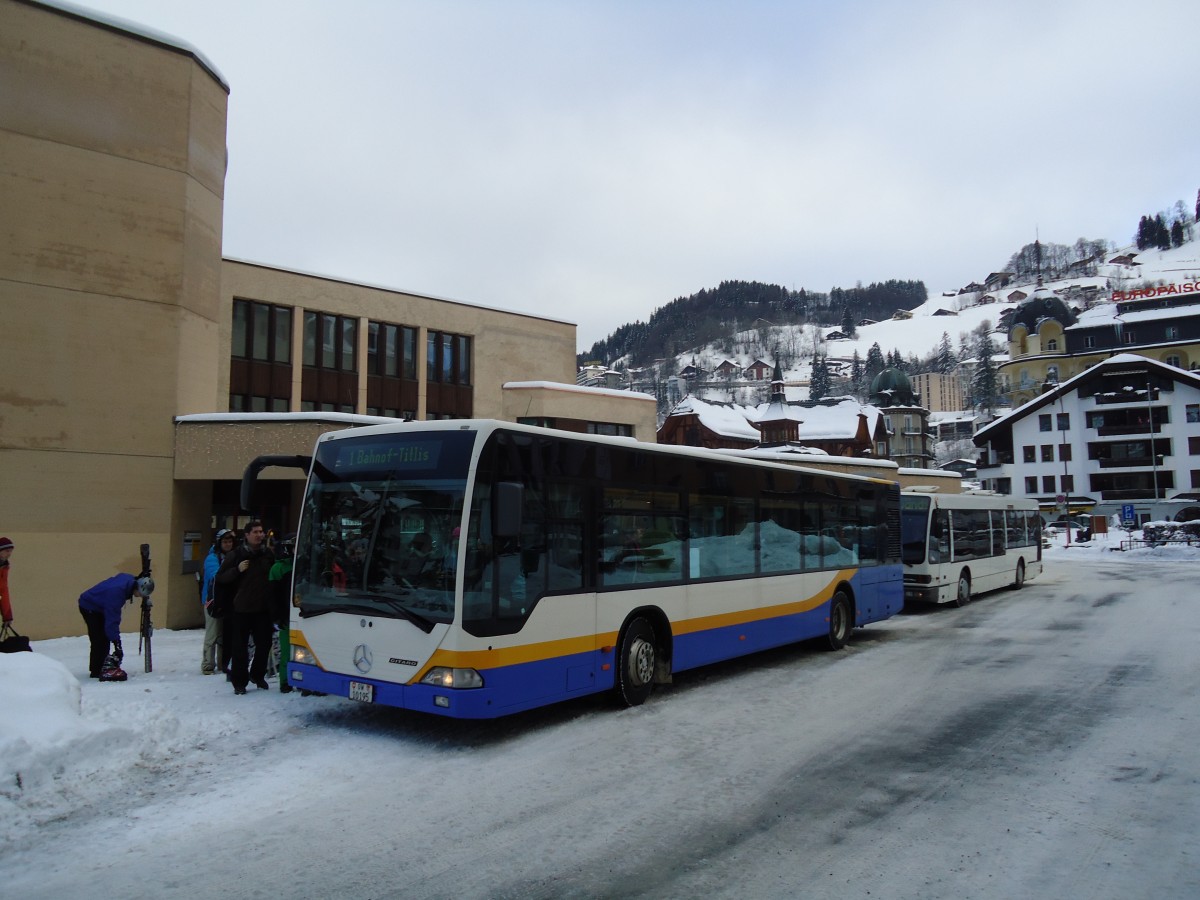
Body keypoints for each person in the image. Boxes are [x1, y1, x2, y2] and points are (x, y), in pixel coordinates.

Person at [216, 520, 276, 695]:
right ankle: (239, 682)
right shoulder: (236, 555)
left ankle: (257, 675)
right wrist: (237, 570)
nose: (259, 535)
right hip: (240, 609)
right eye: (255, 532)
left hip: (263, 609)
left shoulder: (268, 555)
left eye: (261, 531)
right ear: (247, 535)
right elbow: (221, 578)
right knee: (239, 648)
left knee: (264, 645)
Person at [78, 571, 154, 680]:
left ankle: (101, 666)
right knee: (100, 639)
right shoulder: (116, 594)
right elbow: (112, 620)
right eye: (141, 594)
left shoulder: (130, 580)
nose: (140, 597)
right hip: (89, 606)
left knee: (104, 636)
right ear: (138, 588)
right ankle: (97, 671)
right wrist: (116, 642)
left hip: (100, 604)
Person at [200, 528, 235, 675]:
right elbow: (216, 576)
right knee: (213, 633)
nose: (228, 544)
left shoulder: (233, 556)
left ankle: (222, 663)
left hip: (228, 600)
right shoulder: (212, 558)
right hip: (212, 600)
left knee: (224, 634)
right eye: (225, 542)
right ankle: (208, 664)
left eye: (230, 541)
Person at [268, 533, 295, 693]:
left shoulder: (302, 565)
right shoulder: (278, 568)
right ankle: (285, 681)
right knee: (286, 651)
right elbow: (273, 596)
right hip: (286, 616)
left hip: (302, 613)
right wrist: (276, 617)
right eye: (292, 546)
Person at [0, 537, 14, 628]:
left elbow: (3, 591)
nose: (9, 554)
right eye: (7, 551)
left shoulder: (4, 567)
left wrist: (7, 616)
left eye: (10, 551)